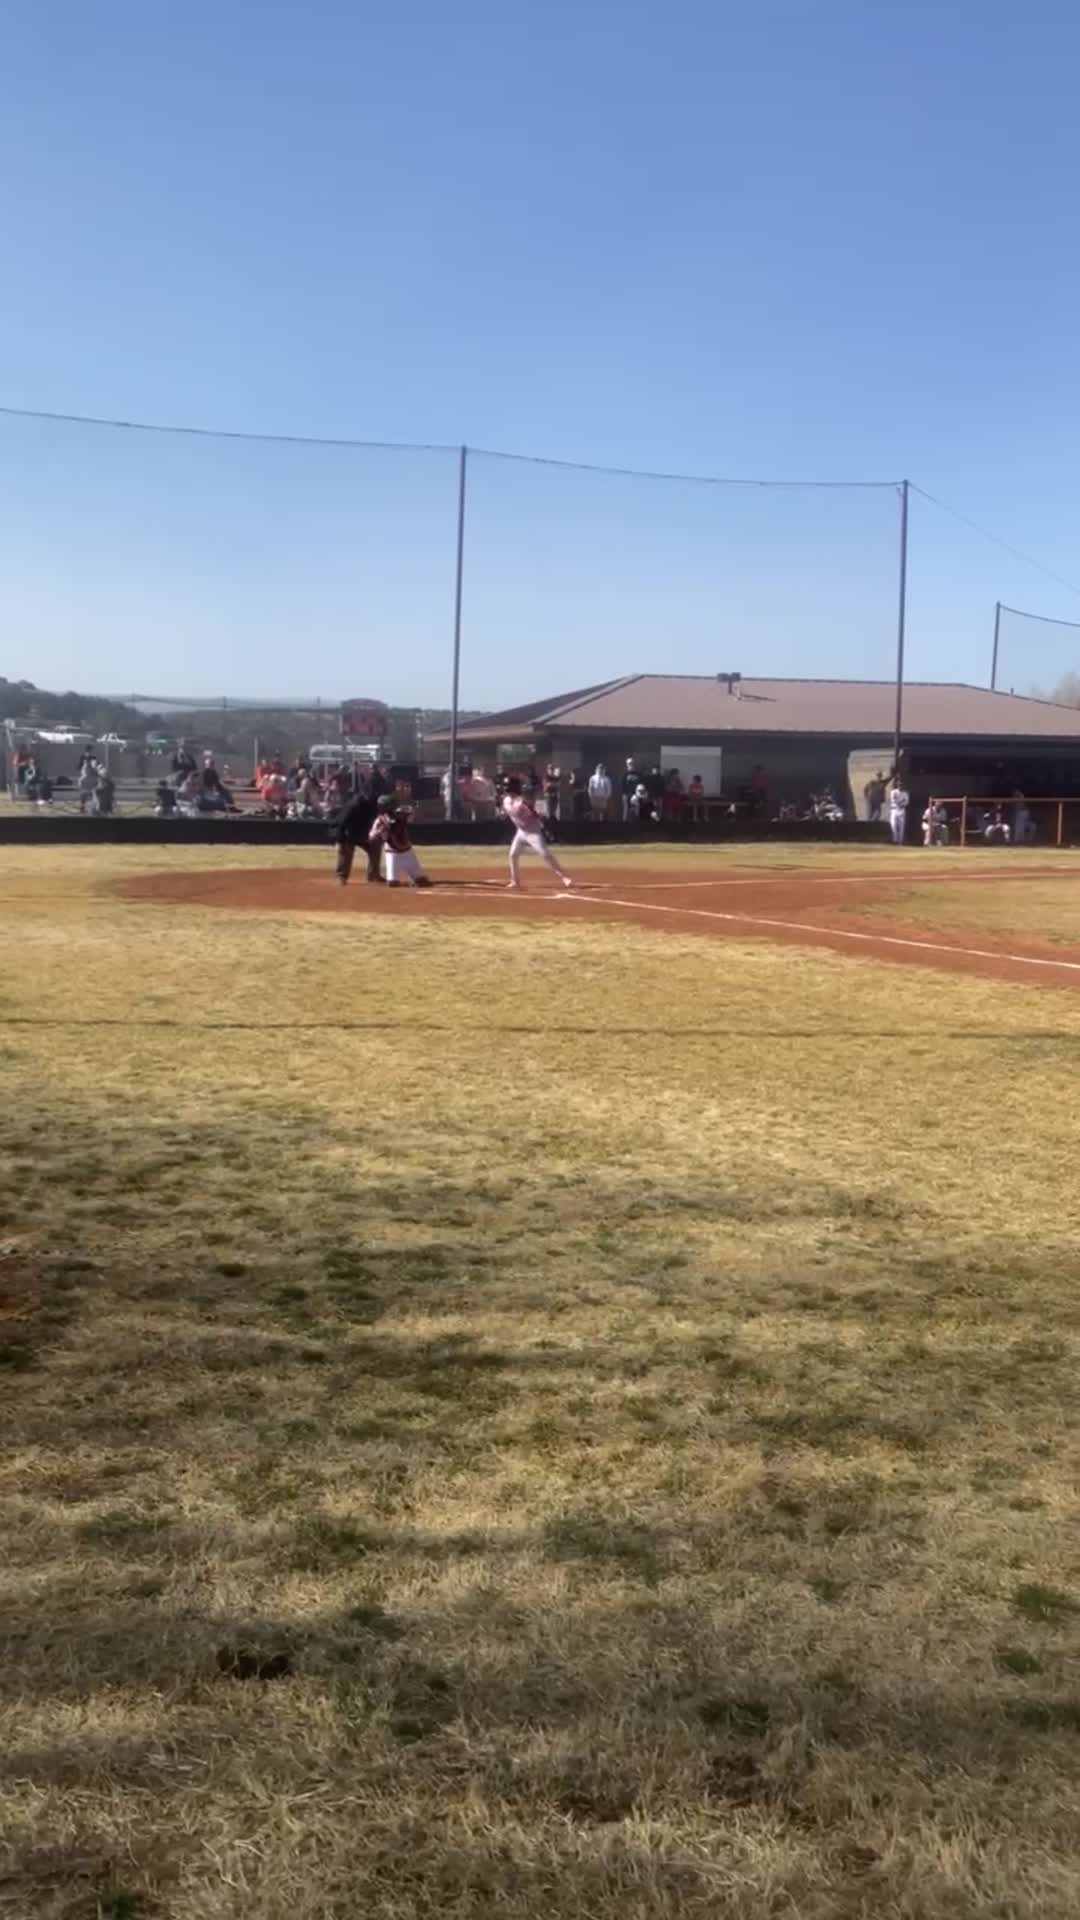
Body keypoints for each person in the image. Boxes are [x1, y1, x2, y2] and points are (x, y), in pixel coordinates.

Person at [502, 776, 574, 891]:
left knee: (544, 854)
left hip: (532, 832)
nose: (506, 788)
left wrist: (545, 829)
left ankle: (564, 877)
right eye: (505, 786)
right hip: (520, 832)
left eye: (508, 786)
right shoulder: (505, 801)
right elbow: (508, 813)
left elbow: (535, 815)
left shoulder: (521, 802)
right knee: (513, 855)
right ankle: (515, 881)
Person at [369, 796, 431, 888]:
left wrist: (412, 810)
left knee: (422, 882)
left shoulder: (401, 814)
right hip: (392, 854)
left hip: (408, 852)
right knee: (392, 884)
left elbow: (412, 814)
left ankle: (415, 880)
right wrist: (379, 832)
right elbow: (371, 836)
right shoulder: (380, 820)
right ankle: (406, 883)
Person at [335, 787, 381, 885]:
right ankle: (341, 876)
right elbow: (341, 823)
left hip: (363, 834)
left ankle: (373, 875)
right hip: (348, 834)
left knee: (375, 847)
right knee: (345, 851)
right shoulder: (353, 805)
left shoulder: (373, 805)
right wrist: (340, 839)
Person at [888, 778, 909, 845]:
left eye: (901, 785)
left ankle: (900, 841)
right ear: (897, 785)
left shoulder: (905, 793)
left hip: (901, 811)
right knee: (893, 825)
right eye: (899, 785)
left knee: (901, 827)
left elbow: (906, 802)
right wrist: (900, 801)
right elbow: (894, 800)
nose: (900, 786)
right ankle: (895, 840)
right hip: (894, 810)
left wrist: (901, 802)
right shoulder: (893, 792)